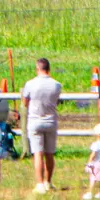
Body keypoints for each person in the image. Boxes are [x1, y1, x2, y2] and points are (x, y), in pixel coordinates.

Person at [20, 58, 63, 193]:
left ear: (37, 69)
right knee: (49, 154)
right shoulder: (56, 85)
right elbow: (57, 100)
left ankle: (39, 184)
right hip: (51, 121)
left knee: (38, 154)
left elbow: (25, 102)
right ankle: (48, 182)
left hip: (35, 121)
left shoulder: (30, 84)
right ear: (48, 69)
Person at [81, 135, 100, 200]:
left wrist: (89, 162)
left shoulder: (95, 144)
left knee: (93, 178)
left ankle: (90, 193)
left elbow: (93, 154)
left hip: (97, 163)